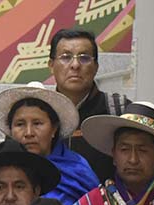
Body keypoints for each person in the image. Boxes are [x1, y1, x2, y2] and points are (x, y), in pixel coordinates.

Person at [0, 81, 99, 205]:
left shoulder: (77, 169)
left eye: (37, 123)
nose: (29, 133)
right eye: (20, 124)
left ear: (54, 129)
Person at [48, 28, 131, 182]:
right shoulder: (36, 114)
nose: (75, 65)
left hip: (105, 204)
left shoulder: (119, 111)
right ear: (51, 65)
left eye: (84, 58)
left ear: (96, 66)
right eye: (66, 57)